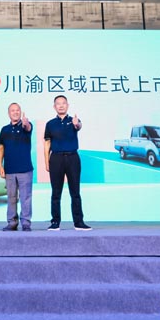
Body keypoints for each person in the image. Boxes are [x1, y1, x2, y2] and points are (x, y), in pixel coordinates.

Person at [43, 95, 92, 231]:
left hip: (72, 158)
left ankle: (78, 222)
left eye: (63, 103)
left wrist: (77, 124)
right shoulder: (50, 124)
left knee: (75, 192)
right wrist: (46, 161)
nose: (61, 105)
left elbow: (79, 126)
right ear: (54, 107)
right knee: (56, 192)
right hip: (56, 159)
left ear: (67, 105)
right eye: (58, 103)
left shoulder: (74, 121)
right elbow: (47, 143)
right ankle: (55, 222)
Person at [0, 103, 33, 231]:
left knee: (25, 197)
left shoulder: (26, 126)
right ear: (9, 113)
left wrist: (26, 123)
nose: (15, 112)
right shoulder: (4, 129)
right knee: (11, 197)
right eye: (12, 110)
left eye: (17, 110)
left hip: (25, 169)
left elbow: (27, 127)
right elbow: (1, 148)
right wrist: (0, 166)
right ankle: (12, 222)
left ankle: (26, 223)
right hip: (10, 170)